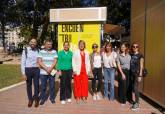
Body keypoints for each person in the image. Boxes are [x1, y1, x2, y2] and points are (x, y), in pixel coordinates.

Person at [38, 39, 58, 105]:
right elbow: (39, 61)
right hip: (43, 72)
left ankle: (52, 98)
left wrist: (51, 68)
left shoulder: (54, 51)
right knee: (43, 86)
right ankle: (43, 99)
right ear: (45, 44)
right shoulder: (41, 52)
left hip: (52, 71)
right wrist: (46, 68)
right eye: (48, 44)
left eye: (50, 44)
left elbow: (55, 61)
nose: (49, 45)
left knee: (52, 86)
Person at [21, 38, 40, 108]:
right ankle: (30, 100)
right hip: (28, 70)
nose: (33, 43)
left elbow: (40, 60)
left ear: (36, 43)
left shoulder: (38, 50)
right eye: (32, 42)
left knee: (36, 85)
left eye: (34, 42)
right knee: (28, 86)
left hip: (36, 70)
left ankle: (36, 99)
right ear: (29, 42)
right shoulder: (25, 50)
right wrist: (23, 73)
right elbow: (23, 62)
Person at [130, 43, 144, 111]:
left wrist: (140, 75)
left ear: (138, 47)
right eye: (133, 46)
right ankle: (135, 101)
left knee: (136, 88)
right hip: (131, 74)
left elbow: (141, 65)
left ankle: (137, 103)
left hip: (137, 74)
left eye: (136, 46)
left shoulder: (140, 55)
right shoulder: (131, 54)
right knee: (133, 88)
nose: (135, 47)